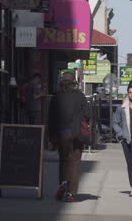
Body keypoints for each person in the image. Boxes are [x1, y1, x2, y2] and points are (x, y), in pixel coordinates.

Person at [48, 71, 91, 202]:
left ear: (62, 82)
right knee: (75, 162)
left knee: (63, 161)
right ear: (74, 83)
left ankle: (63, 184)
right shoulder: (80, 96)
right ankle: (71, 193)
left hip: (62, 134)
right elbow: (88, 114)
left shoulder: (56, 97)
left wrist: (51, 138)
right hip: (77, 134)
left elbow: (51, 119)